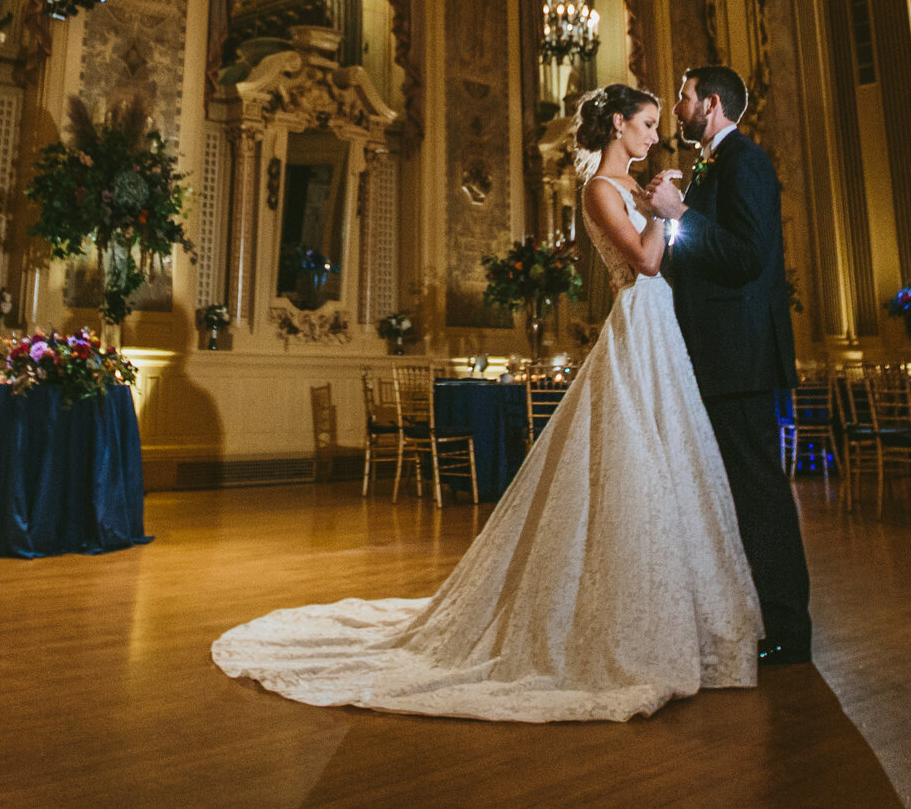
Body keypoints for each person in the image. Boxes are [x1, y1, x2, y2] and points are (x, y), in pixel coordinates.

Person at [210, 84, 760, 722]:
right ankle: (618, 631)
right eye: (645, 124)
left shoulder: (634, 190)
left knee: (672, 459)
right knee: (631, 458)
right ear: (617, 123)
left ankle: (682, 620)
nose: (653, 135)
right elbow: (643, 263)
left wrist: (664, 205)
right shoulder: (601, 192)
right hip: (638, 320)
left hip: (661, 329)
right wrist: (667, 214)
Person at [647, 64, 814, 665]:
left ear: (711, 105)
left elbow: (747, 256)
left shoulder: (745, 162)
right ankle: (746, 612)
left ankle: (789, 629)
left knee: (759, 491)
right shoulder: (713, 163)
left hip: (738, 357)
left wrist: (679, 213)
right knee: (731, 492)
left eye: (685, 98)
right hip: (715, 354)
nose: (677, 107)